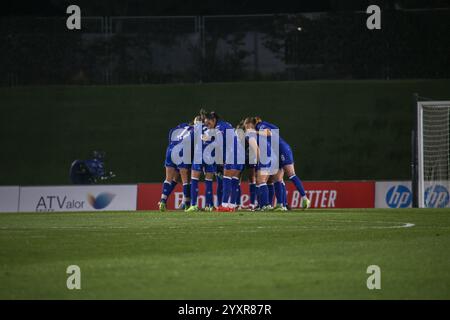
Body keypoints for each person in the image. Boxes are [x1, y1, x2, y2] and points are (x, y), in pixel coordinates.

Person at [243, 117, 310, 211]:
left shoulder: (259, 126)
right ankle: (281, 204)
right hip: (275, 152)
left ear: (251, 124)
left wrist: (254, 132)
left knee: (291, 175)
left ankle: (304, 198)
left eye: (246, 126)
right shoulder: (261, 128)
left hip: (282, 150)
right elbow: (274, 130)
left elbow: (269, 132)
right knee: (277, 179)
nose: (246, 128)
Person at [204, 111, 243, 212]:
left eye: (208, 123)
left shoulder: (218, 128)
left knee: (226, 178)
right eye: (206, 124)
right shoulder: (226, 124)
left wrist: (207, 139)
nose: (207, 126)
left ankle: (224, 205)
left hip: (232, 154)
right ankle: (232, 205)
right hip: (240, 153)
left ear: (214, 120)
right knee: (234, 180)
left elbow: (218, 142)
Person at [158, 121, 194, 211]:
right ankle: (186, 203)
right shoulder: (195, 130)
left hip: (171, 149)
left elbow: (171, 132)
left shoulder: (180, 126)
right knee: (186, 179)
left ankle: (162, 201)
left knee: (169, 178)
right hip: (183, 150)